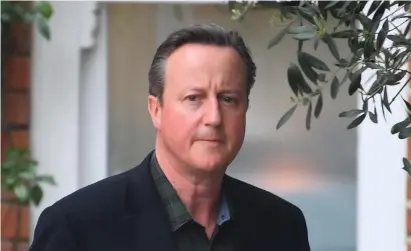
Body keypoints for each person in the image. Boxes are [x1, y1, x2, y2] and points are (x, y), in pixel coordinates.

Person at [29, 23, 310, 251]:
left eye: (227, 99)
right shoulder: (77, 228)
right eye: (193, 98)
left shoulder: (282, 225)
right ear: (156, 110)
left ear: (245, 109)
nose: (213, 117)